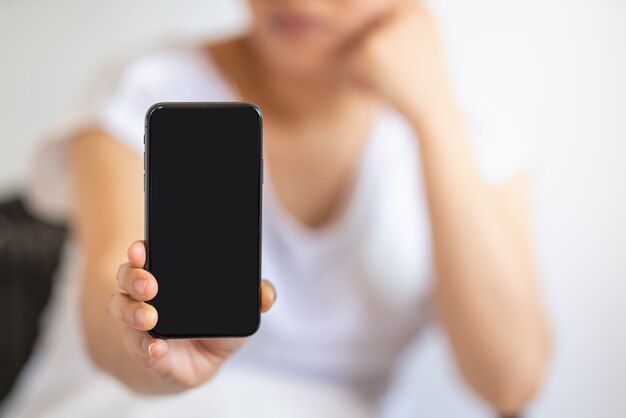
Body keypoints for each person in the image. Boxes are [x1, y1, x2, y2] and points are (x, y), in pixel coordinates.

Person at [2, 0, 549, 417]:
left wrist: (432, 113)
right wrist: (152, 356)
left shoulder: (472, 131)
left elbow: (509, 382)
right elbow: (106, 299)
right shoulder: (147, 85)